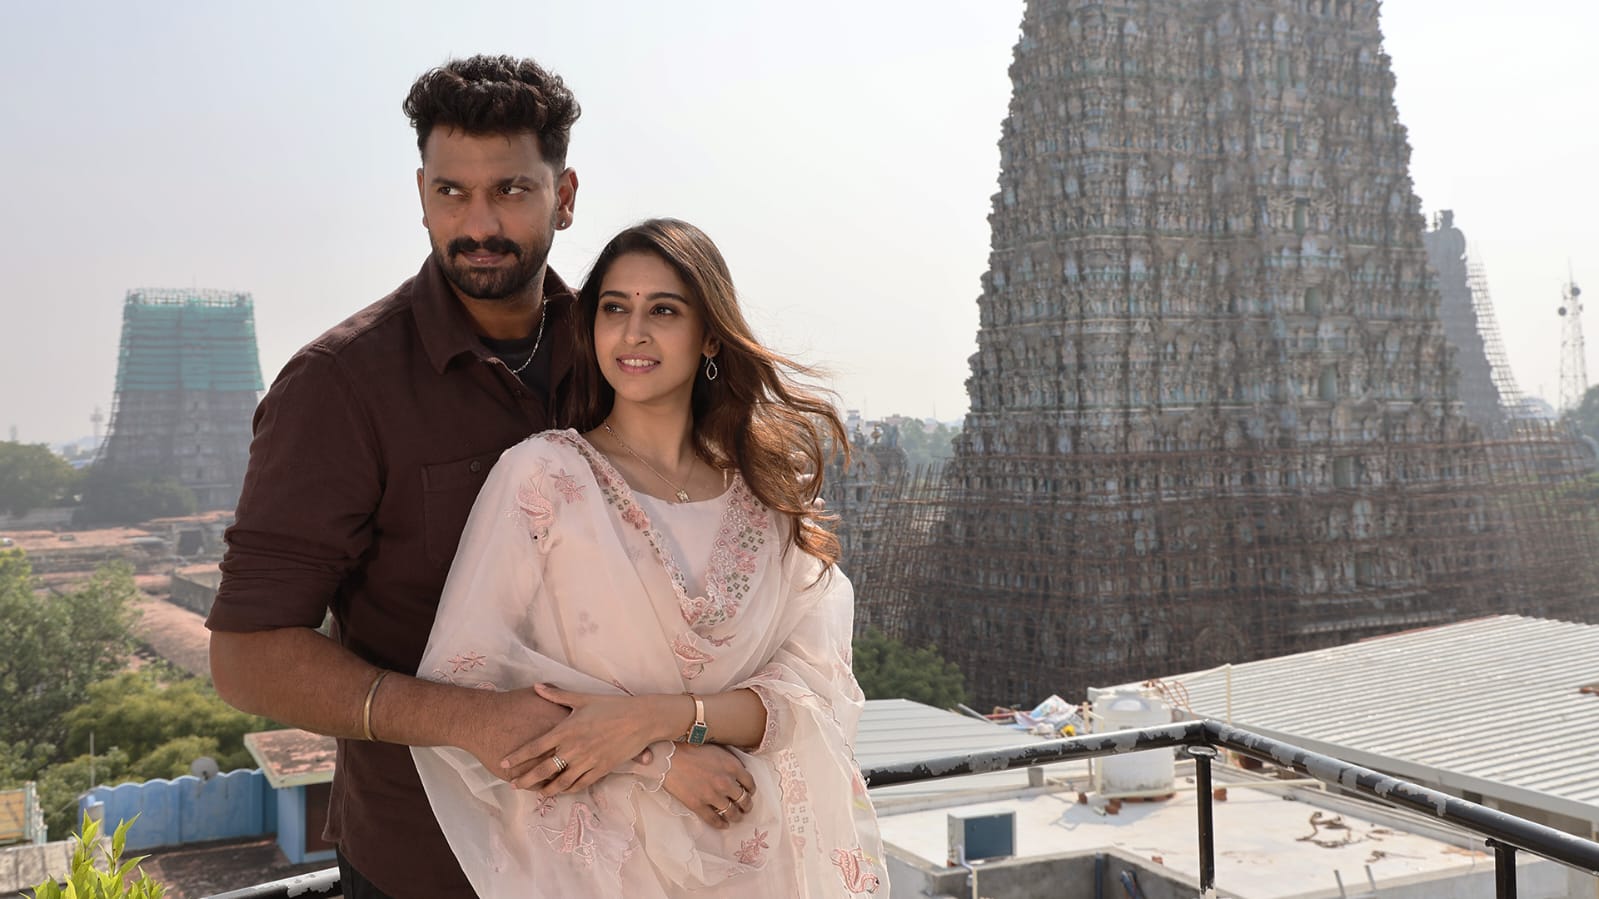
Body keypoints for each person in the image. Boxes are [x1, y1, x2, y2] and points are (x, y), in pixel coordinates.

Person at [206, 58, 751, 899]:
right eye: (452, 193)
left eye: (511, 190)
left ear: (563, 196)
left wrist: (686, 730)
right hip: (433, 859)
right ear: (421, 195)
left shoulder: (626, 349)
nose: (479, 223)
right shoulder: (341, 386)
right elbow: (248, 655)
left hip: (646, 852)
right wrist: (469, 718)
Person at [411, 219, 888, 897]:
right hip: (601, 867)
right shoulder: (544, 478)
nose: (633, 333)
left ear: (711, 335)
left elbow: (814, 693)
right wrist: (659, 760)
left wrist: (665, 716)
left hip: (761, 856)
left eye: (663, 310)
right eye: (615, 309)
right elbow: (470, 688)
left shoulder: (766, 498)